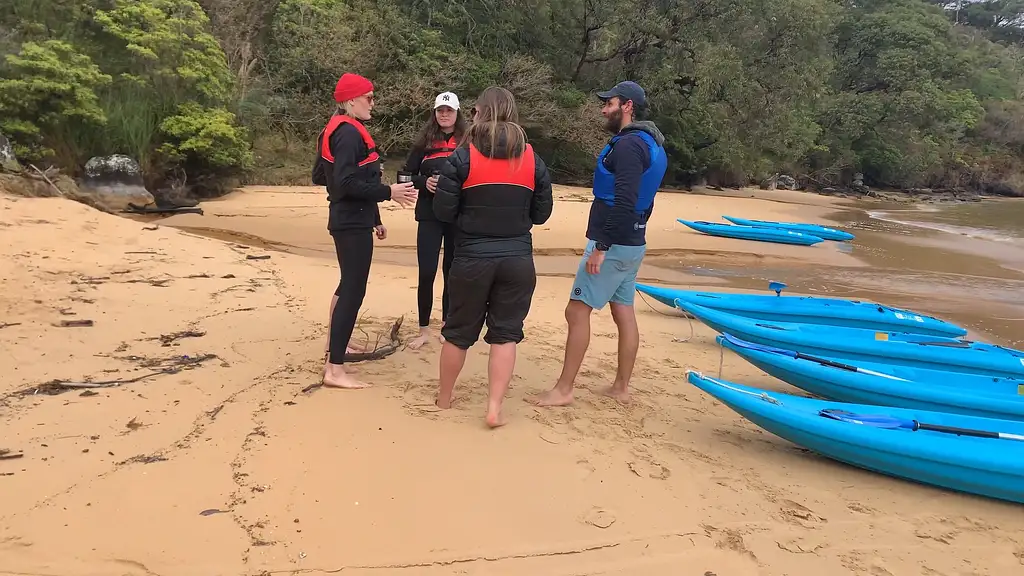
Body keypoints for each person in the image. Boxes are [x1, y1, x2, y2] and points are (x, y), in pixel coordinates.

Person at [532, 80, 668, 407]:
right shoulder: (650, 142)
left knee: (576, 311)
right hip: (633, 243)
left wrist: (602, 246)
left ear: (628, 106)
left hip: (614, 245)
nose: (604, 109)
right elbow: (642, 203)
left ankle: (564, 390)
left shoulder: (629, 146)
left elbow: (626, 200)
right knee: (623, 312)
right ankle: (621, 388)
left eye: (610, 103)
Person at [432, 86, 554, 427]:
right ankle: (494, 407)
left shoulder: (463, 155)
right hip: (517, 259)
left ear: (479, 113)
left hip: (472, 257)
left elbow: (443, 210)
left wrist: (469, 221)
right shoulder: (531, 157)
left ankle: (444, 399)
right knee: (506, 333)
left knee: (458, 332)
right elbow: (542, 213)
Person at [312, 72, 418, 389]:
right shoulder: (347, 133)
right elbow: (342, 183)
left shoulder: (339, 131)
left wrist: (374, 217)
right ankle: (334, 369)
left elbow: (322, 175)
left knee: (348, 286)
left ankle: (336, 346)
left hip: (352, 218)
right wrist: (388, 192)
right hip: (348, 220)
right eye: (369, 97)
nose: (374, 102)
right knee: (353, 291)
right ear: (351, 101)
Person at [403, 92, 469, 350]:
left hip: (455, 215)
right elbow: (403, 176)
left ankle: (446, 325)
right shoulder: (423, 142)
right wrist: (423, 182)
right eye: (440, 111)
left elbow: (473, 173)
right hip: (428, 214)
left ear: (457, 113)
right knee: (427, 271)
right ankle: (422, 329)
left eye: (449, 111)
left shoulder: (467, 142)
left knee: (452, 272)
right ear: (435, 113)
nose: (444, 115)